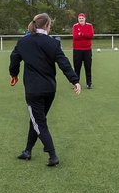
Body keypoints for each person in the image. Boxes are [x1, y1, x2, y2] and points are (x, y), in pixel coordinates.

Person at [9, 12, 80, 166]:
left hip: (34, 90)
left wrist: (13, 74)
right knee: (36, 119)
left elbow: (14, 59)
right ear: (47, 26)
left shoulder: (23, 42)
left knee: (39, 122)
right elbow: (63, 62)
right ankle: (27, 150)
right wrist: (75, 80)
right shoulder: (53, 43)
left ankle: (52, 155)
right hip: (49, 90)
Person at [71, 13, 94, 89]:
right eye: (80, 18)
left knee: (88, 67)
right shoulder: (75, 26)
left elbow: (90, 35)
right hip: (77, 50)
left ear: (85, 19)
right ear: (78, 19)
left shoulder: (89, 26)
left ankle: (89, 83)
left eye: (82, 18)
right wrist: (84, 35)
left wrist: (82, 33)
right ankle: (76, 84)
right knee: (77, 68)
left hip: (87, 50)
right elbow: (75, 37)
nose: (81, 19)